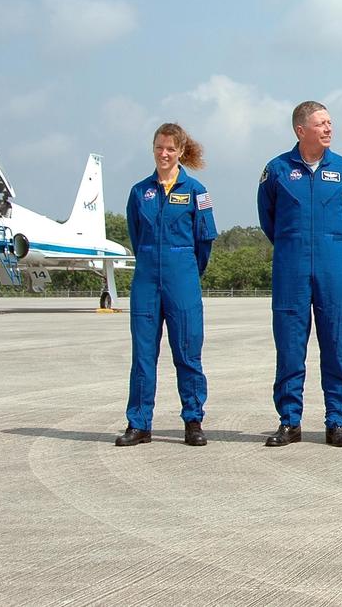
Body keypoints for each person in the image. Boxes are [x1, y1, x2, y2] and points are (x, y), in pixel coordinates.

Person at [257, 101, 342, 448]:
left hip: (332, 266)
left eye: (330, 123)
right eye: (321, 124)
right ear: (300, 130)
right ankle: (290, 421)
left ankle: (337, 421)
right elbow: (267, 217)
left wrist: (331, 244)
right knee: (290, 344)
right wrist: (294, 243)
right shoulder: (276, 170)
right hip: (291, 266)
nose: (329, 129)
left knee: (337, 342)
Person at [117, 123, 217, 447]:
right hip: (147, 277)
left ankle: (193, 420)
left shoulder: (197, 191)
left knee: (188, 352)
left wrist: (186, 270)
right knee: (143, 355)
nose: (164, 154)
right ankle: (139, 423)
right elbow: (136, 234)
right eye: (160, 147)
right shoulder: (138, 192)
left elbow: (205, 240)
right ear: (154, 148)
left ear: (181, 152)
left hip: (183, 276)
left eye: (171, 149)